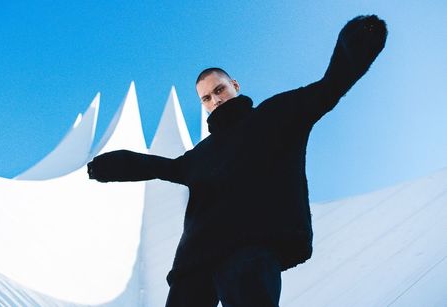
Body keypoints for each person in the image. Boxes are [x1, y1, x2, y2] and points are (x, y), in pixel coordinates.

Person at [87, 15, 387, 307]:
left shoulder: (275, 115)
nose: (215, 100)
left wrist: (358, 44)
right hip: (198, 257)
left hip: (252, 245)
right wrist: (108, 166)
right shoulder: (199, 156)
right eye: (206, 98)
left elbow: (327, 89)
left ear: (235, 86)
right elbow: (158, 166)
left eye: (219, 89)